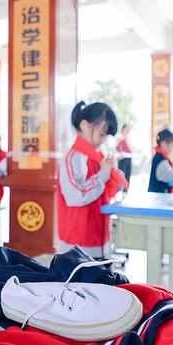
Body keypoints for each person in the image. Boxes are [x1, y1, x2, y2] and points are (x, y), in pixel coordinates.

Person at [58, 100, 125, 257]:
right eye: (102, 134)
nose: (103, 139)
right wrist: (103, 174)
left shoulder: (97, 155)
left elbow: (107, 192)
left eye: (106, 135)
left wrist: (114, 175)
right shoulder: (73, 157)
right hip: (77, 241)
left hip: (97, 235)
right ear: (85, 126)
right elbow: (75, 196)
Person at [115, 124, 133, 188]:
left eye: (128, 129)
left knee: (128, 175)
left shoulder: (129, 139)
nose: (128, 130)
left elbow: (131, 149)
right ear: (123, 129)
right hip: (122, 159)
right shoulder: (119, 138)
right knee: (122, 175)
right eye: (126, 128)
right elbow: (117, 148)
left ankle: (125, 191)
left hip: (129, 158)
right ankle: (120, 189)